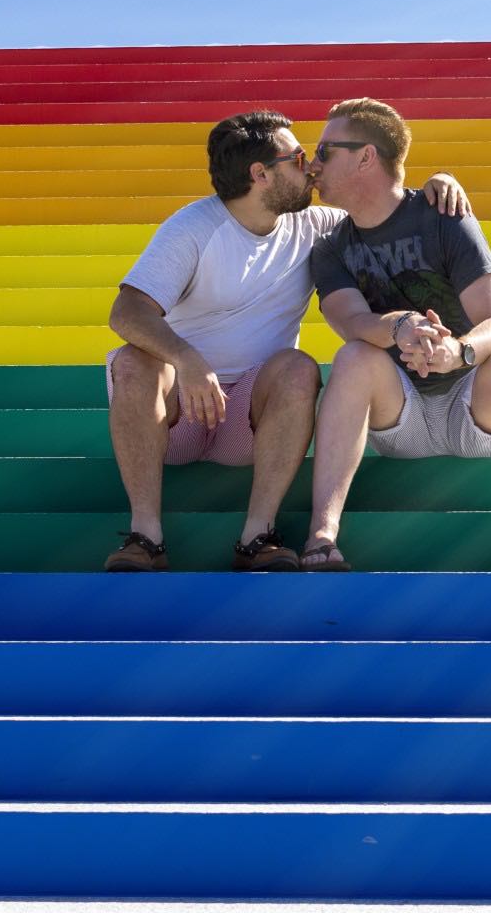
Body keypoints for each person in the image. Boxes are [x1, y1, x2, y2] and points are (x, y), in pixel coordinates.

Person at [103, 110, 470, 573]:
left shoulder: (317, 226)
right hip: (179, 414)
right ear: (260, 174)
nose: (312, 167)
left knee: (299, 365)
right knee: (134, 361)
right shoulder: (193, 227)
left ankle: (257, 536)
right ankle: (145, 536)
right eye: (298, 158)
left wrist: (440, 180)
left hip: (248, 424)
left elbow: (382, 203)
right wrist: (186, 358)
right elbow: (127, 311)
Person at [300, 98, 491, 573]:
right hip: (401, 416)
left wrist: (459, 352)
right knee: (353, 355)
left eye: (324, 151)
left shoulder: (443, 214)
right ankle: (321, 534)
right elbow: (351, 320)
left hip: (472, 403)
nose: (312, 165)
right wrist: (399, 326)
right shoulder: (332, 247)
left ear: (365, 157)